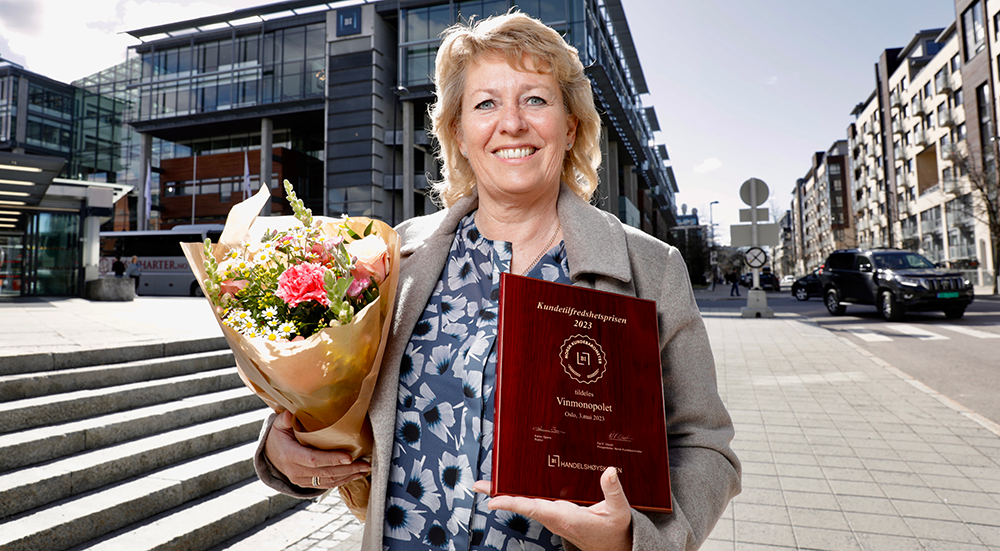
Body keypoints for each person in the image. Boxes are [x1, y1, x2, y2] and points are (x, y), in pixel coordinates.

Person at [255, 12, 740, 551]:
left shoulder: (651, 268)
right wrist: (285, 452)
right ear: (458, 134)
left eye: (535, 99)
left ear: (571, 125)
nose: (512, 123)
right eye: (486, 104)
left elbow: (705, 446)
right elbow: (336, 402)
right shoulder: (392, 257)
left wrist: (636, 540)